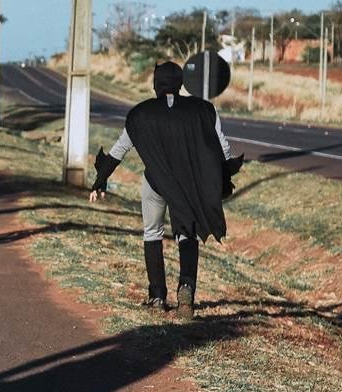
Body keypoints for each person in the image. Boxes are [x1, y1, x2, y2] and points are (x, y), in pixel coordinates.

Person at [88, 60, 244, 317]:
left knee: (152, 233)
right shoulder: (203, 110)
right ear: (180, 83)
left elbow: (119, 150)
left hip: (155, 182)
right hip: (188, 185)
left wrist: (100, 179)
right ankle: (186, 287)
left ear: (156, 84)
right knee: (187, 234)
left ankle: (157, 296)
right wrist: (224, 178)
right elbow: (223, 148)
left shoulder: (140, 114)